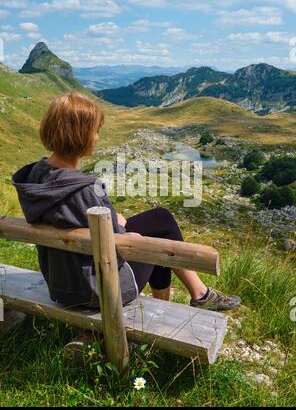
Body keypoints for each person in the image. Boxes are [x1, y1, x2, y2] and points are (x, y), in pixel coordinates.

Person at [11, 91, 241, 314]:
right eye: (95, 131)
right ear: (79, 135)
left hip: (61, 283)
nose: (97, 137)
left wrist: (116, 224)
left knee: (161, 218)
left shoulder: (34, 176)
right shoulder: (84, 189)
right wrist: (124, 230)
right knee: (157, 236)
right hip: (98, 289)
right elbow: (114, 249)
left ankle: (197, 295)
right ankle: (187, 301)